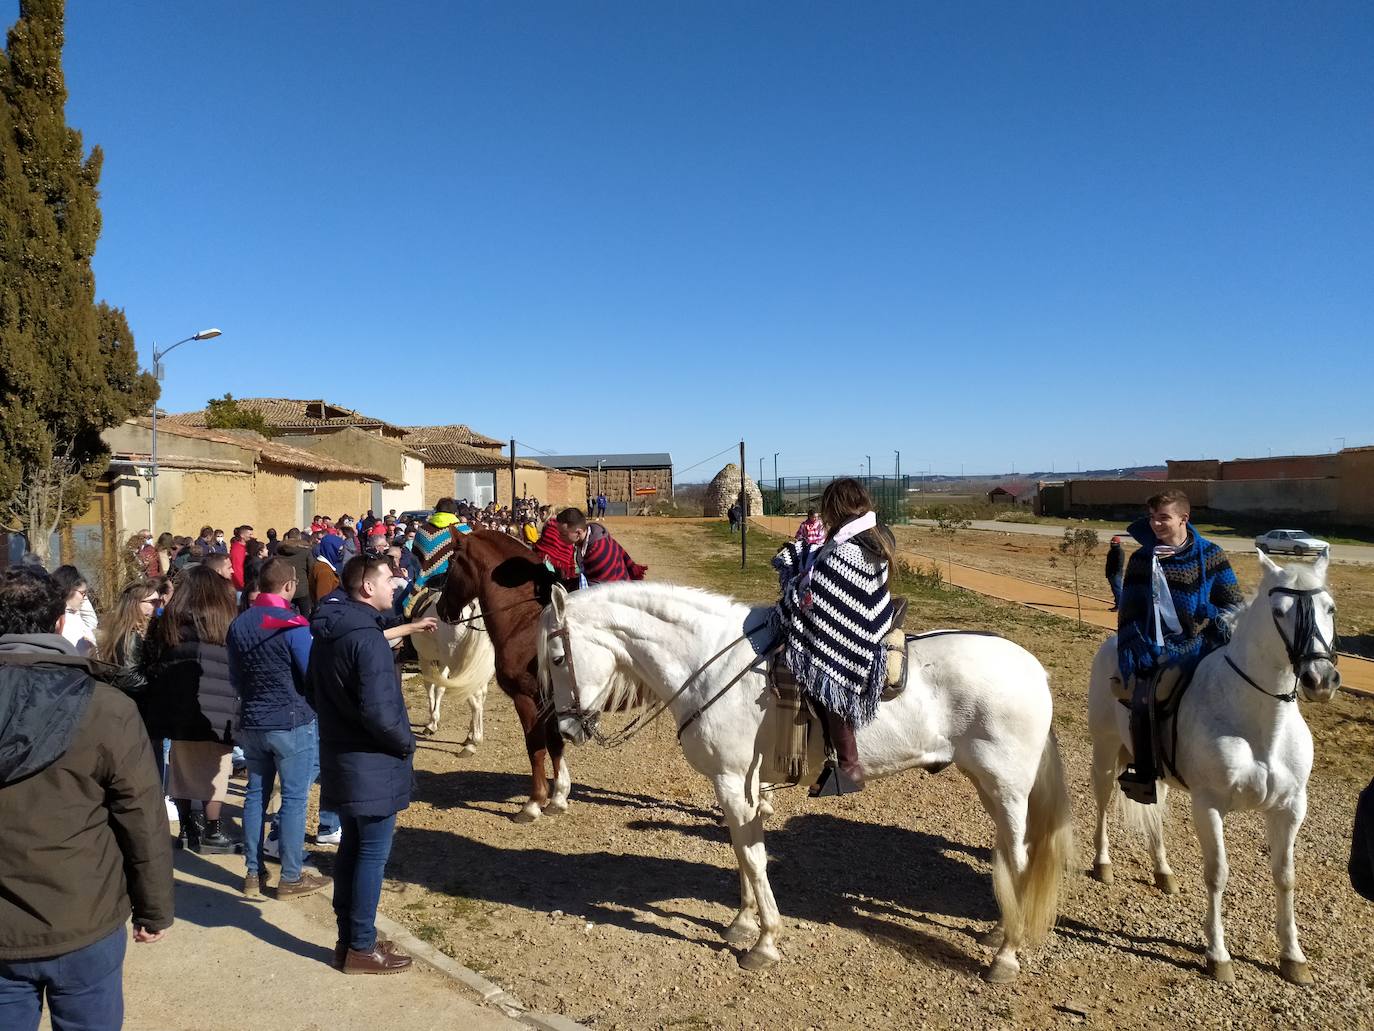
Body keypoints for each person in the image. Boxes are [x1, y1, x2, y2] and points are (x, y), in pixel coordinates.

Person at [0, 566, 174, 1031]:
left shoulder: (104, 706)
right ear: (60, 623)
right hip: (82, 916)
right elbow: (142, 814)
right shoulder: (106, 707)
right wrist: (154, 906)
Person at [308, 556, 417, 974]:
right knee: (370, 854)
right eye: (391, 578)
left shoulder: (328, 631)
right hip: (372, 761)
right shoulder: (367, 638)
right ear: (367, 588)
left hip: (342, 754)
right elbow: (378, 712)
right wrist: (405, 742)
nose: (398, 584)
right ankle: (361, 947)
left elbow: (310, 690)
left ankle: (349, 940)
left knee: (352, 850)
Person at [1115, 489, 1244, 804]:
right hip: (1158, 647)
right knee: (1146, 696)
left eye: (1163, 518)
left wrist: (1211, 615)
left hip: (1208, 641)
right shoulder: (1142, 559)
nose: (1156, 524)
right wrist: (1136, 643)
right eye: (1152, 518)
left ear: (1184, 518)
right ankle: (1145, 770)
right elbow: (1129, 609)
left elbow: (1235, 605)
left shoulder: (1211, 554)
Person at [772, 478, 896, 797]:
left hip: (855, 631)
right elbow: (826, 572)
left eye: (828, 507)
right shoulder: (870, 534)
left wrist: (793, 598)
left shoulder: (852, 547)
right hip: (868, 621)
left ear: (836, 507)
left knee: (829, 668)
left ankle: (849, 764)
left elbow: (816, 595)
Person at [229, 558, 336, 901]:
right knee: (293, 798)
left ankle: (252, 871)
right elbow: (309, 674)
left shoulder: (240, 623)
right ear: (289, 586)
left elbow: (234, 676)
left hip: (253, 719)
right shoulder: (292, 623)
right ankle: (290, 876)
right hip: (290, 721)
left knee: (255, 795)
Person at [143, 564, 242, 853]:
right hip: (219, 703)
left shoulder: (169, 620)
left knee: (182, 766)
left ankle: (187, 828)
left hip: (176, 704)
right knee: (217, 768)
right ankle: (213, 830)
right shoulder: (224, 618)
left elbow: (154, 659)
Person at [555, 508, 647, 587]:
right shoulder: (585, 540)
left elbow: (599, 590)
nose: (559, 537)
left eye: (563, 534)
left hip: (616, 594)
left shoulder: (599, 551)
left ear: (578, 533)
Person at [411, 498, 466, 594]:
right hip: (459, 585)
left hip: (425, 586)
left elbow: (414, 557)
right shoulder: (465, 531)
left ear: (436, 511)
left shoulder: (422, 531)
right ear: (455, 513)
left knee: (408, 606)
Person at [50, 566, 98, 655]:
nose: (84, 598)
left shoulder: (76, 615)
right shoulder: (58, 621)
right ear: (68, 590)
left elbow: (91, 621)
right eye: (83, 593)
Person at [275, 528, 316, 616]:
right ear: (299, 537)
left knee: (285, 616)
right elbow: (311, 568)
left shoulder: (280, 550)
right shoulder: (306, 551)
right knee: (305, 616)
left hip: (285, 587)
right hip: (302, 587)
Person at [310, 534, 345, 604]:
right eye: (339, 550)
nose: (342, 553)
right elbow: (323, 600)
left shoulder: (324, 566)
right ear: (330, 550)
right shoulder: (324, 572)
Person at [229, 524, 255, 591]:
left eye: (252, 534)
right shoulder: (237, 550)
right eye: (250, 534)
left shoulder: (246, 548)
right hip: (240, 588)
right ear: (242, 535)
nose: (252, 536)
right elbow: (237, 569)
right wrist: (243, 585)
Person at [1105, 536, 1126, 612]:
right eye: (1111, 543)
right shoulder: (1111, 551)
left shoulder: (1119, 551)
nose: (1112, 544)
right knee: (1115, 590)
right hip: (1111, 574)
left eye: (1114, 543)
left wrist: (1115, 573)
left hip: (1116, 575)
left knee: (1117, 590)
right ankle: (1117, 604)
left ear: (1118, 543)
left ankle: (1119, 606)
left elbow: (1119, 564)